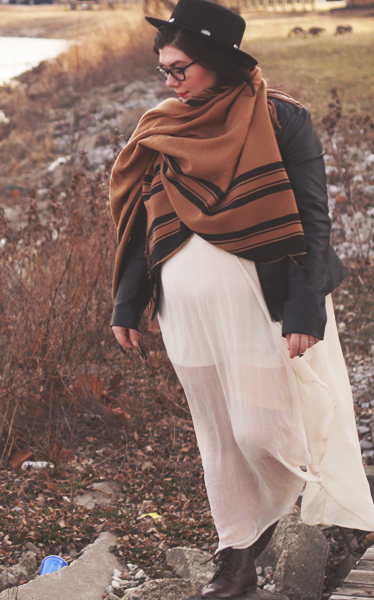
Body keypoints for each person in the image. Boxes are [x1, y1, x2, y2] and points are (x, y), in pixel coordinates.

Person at [108, 0, 374, 597]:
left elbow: (312, 219)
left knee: (261, 433)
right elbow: (145, 222)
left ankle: (289, 517)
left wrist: (305, 309)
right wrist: (128, 303)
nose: (169, 83)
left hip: (263, 305)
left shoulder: (280, 119)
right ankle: (235, 560)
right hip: (188, 314)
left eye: (179, 69)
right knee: (218, 439)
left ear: (217, 61)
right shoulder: (163, 127)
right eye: (163, 70)